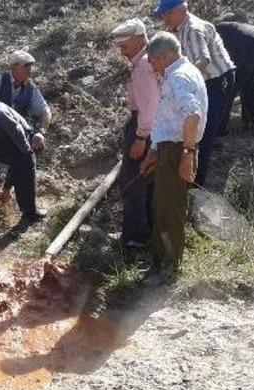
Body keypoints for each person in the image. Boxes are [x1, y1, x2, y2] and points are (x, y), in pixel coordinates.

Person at [140, 32, 207, 281]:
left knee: (169, 212)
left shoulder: (180, 77)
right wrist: (154, 151)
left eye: (154, 60)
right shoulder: (176, 74)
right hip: (169, 149)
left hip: (178, 150)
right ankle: (159, 265)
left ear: (166, 55)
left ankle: (168, 270)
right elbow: (169, 120)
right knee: (162, 208)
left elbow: (193, 115)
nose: (151, 64)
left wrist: (187, 154)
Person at [155, 0, 234, 187]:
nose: (165, 19)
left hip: (217, 80)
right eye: (163, 15)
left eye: (168, 14)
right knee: (200, 126)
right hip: (206, 80)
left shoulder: (192, 29)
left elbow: (203, 59)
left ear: (180, 10)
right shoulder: (181, 29)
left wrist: (180, 77)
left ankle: (197, 184)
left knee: (203, 132)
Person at [110, 18, 161, 248]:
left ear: (140, 39)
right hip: (154, 126)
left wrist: (140, 138)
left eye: (125, 46)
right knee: (148, 180)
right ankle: (147, 230)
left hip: (145, 127)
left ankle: (134, 238)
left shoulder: (143, 67)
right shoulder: (151, 60)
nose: (122, 53)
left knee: (132, 182)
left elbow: (148, 107)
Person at [0, 50, 52, 152]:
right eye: (25, 66)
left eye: (30, 66)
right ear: (13, 67)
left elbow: (45, 111)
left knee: (37, 145)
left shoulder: (30, 87)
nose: (29, 69)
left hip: (14, 131)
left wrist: (41, 132)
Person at [216, 22, 254, 134]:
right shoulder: (231, 28)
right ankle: (253, 122)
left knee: (230, 89)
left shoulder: (216, 31)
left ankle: (219, 129)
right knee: (249, 83)